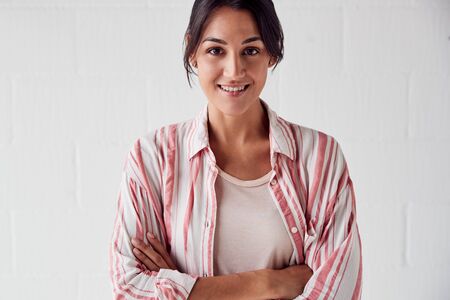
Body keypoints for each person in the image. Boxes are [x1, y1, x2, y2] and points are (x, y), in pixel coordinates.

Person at [109, 0, 363, 299]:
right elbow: (128, 288)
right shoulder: (152, 158)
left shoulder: (320, 158)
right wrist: (269, 283)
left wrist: (184, 289)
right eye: (216, 50)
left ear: (271, 53)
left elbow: (337, 292)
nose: (234, 70)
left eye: (250, 50)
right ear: (192, 52)